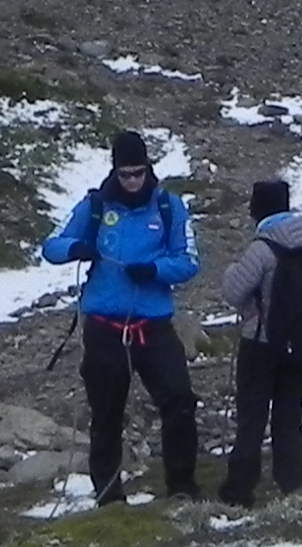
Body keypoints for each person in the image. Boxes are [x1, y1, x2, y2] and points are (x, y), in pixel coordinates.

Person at [42, 132, 200, 502]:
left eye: (138, 173)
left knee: (179, 402)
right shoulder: (95, 207)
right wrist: (76, 248)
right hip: (105, 329)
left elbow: (190, 260)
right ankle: (109, 496)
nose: (132, 181)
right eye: (125, 174)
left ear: (148, 168)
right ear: (115, 170)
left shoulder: (169, 207)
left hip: (153, 327)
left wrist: (156, 270)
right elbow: (51, 245)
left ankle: (182, 486)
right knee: (107, 415)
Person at [216, 179, 302, 506]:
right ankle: (291, 482)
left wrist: (229, 270)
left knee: (252, 416)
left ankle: (240, 489)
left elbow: (234, 292)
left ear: (258, 210)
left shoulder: (261, 248)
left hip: (260, 343)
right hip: (298, 344)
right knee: (288, 413)